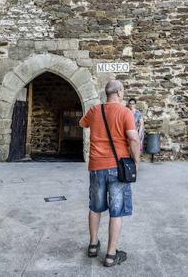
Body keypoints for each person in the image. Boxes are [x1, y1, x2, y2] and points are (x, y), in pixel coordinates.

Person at [79, 80, 141, 267]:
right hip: (118, 167)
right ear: (120, 92)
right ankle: (111, 255)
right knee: (116, 210)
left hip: (97, 166)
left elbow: (82, 123)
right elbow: (133, 138)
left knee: (95, 207)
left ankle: (92, 245)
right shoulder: (125, 112)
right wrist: (136, 161)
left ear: (107, 93)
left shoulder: (94, 110)